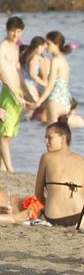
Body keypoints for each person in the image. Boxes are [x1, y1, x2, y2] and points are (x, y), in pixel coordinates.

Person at [34, 117, 84, 229]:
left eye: (49, 138)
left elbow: (38, 193)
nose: (46, 142)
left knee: (41, 211)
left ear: (63, 139)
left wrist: (49, 205)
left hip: (52, 218)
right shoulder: (81, 159)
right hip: (78, 218)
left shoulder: (46, 158)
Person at [0, 16, 27, 172]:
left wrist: (26, 94)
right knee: (5, 133)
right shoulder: (2, 47)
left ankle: (2, 168)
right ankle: (10, 170)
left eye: (18, 32)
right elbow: (3, 75)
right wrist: (15, 95)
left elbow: (19, 74)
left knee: (10, 133)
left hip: (17, 92)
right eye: (12, 31)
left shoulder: (16, 47)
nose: (15, 35)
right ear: (7, 30)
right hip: (8, 93)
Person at [40, 31, 82, 127]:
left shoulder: (55, 61)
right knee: (63, 132)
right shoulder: (63, 60)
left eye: (48, 43)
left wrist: (39, 102)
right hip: (66, 100)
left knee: (52, 131)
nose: (45, 46)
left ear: (57, 44)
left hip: (55, 99)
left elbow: (50, 85)